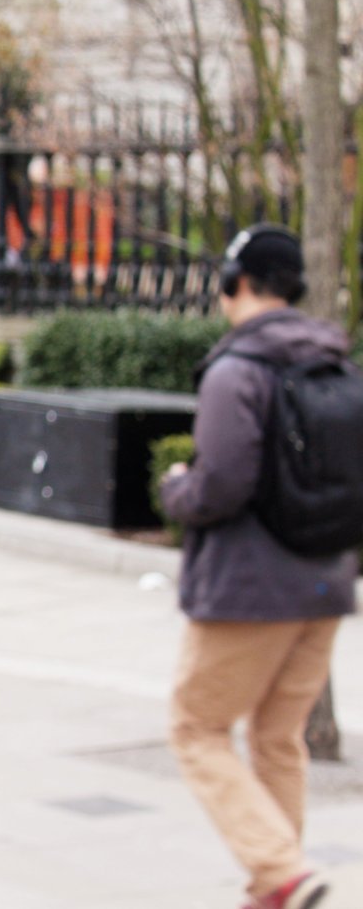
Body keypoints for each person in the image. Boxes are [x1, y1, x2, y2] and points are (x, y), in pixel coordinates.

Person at [160, 224, 358, 909]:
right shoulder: (336, 363)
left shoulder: (236, 371)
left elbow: (222, 486)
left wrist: (176, 485)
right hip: (326, 580)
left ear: (235, 283)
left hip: (250, 587)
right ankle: (279, 885)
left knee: (196, 727)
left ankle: (282, 872)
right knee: (278, 738)